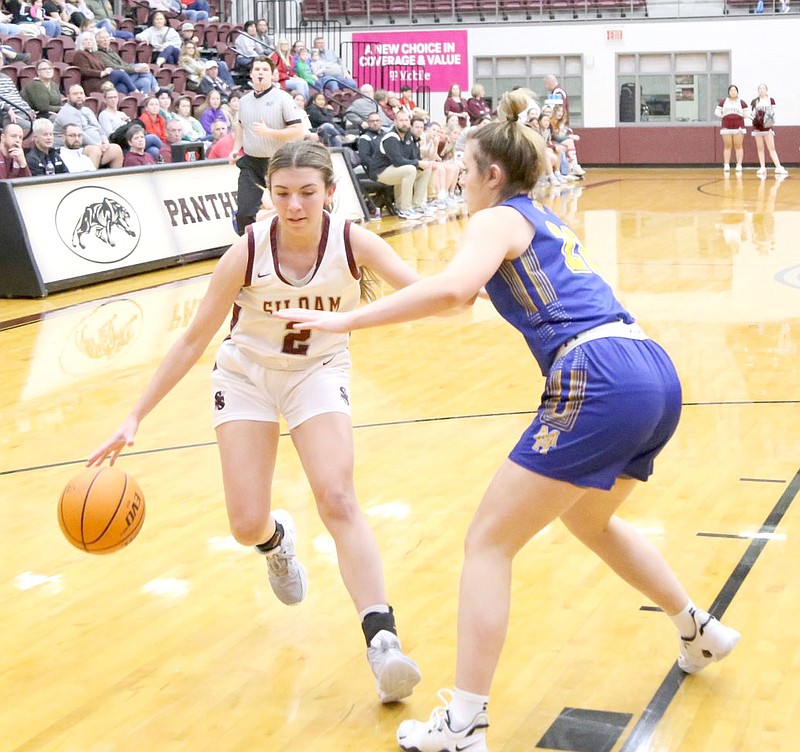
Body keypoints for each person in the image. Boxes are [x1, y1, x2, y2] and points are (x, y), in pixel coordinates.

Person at [272, 89, 742, 752]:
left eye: (464, 169)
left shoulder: (496, 219)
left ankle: (465, 722)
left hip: (598, 378)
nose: (459, 180)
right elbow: (456, 303)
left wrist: (347, 318)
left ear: (492, 174)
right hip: (651, 370)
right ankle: (697, 626)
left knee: (487, 543)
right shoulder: (542, 219)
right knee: (590, 518)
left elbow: (456, 291)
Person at [87, 138, 424, 705]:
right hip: (245, 377)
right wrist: (135, 414)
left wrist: (356, 319)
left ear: (330, 194)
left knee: (337, 496)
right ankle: (276, 541)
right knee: (245, 524)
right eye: (282, 193)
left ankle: (382, 640)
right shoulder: (246, 250)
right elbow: (195, 337)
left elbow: (428, 295)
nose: (294, 206)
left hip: (316, 372)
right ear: (269, 194)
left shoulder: (351, 241)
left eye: (307, 194)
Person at [229, 56, 304, 235]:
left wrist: (269, 132)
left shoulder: (283, 98)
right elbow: (240, 125)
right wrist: (235, 148)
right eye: (257, 69)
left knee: (287, 208)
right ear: (251, 74)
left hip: (279, 162)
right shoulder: (245, 101)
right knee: (245, 213)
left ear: (272, 75)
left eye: (264, 70)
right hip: (251, 163)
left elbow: (298, 131)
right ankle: (249, 250)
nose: (260, 73)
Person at [369, 109, 434, 221]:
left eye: (406, 120)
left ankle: (417, 205)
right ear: (395, 122)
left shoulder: (409, 137)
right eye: (401, 120)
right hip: (380, 172)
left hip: (395, 170)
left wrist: (423, 163)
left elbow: (414, 158)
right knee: (409, 170)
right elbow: (397, 161)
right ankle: (405, 209)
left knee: (426, 169)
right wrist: (418, 163)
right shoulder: (391, 137)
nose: (404, 123)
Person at [53, 84, 125, 167]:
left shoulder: (87, 110)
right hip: (72, 148)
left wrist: (105, 142)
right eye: (75, 94)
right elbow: (79, 134)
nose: (79, 96)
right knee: (95, 151)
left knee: (116, 149)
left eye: (81, 93)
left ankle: (115, 179)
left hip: (94, 145)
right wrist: (97, 145)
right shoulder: (67, 112)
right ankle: (91, 179)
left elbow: (99, 129)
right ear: (68, 97)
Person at [95, 28, 158, 94]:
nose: (105, 40)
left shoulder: (110, 50)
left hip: (126, 73)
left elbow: (122, 63)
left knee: (146, 81)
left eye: (107, 37)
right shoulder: (98, 53)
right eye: (102, 38)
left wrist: (133, 68)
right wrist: (135, 69)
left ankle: (144, 99)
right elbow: (113, 67)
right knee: (142, 68)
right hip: (118, 77)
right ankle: (156, 89)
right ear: (97, 41)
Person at [750, 83, 787, 178]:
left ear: (766, 90)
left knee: (772, 148)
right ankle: (762, 167)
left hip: (767, 127)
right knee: (760, 148)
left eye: (763, 88)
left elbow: (774, 113)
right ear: (758, 90)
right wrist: (757, 120)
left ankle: (778, 166)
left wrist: (767, 119)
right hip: (758, 128)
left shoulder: (771, 100)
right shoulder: (755, 101)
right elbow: (752, 114)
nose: (761, 90)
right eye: (760, 88)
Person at [714, 84, 748, 174]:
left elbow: (747, 114)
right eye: (731, 90)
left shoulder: (741, 102)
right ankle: (726, 165)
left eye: (734, 90)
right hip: (726, 126)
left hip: (739, 126)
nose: (733, 92)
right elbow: (717, 112)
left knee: (738, 145)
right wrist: (724, 116)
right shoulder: (724, 101)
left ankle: (739, 165)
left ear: (737, 92)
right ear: (728, 92)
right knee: (727, 145)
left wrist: (738, 118)